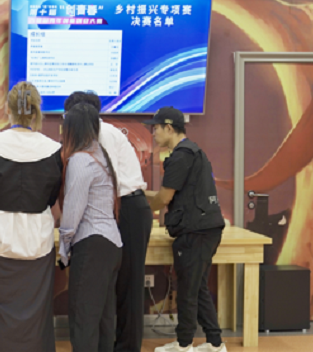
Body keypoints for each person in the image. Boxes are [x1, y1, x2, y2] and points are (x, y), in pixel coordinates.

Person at [0, 81, 62, 352]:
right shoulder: (53, 150)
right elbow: (51, 198)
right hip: (38, 242)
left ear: (7, 109)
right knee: (36, 313)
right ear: (36, 110)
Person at [63, 91, 153, 352]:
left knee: (129, 286)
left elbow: (101, 185)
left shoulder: (101, 138)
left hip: (127, 208)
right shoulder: (96, 137)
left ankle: (127, 347)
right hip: (117, 211)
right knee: (109, 295)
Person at [143, 107, 227, 352]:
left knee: (188, 290)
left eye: (156, 128)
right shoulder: (194, 152)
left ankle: (183, 345)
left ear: (169, 128)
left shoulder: (180, 157)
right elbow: (169, 194)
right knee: (197, 287)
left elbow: (163, 199)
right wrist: (141, 195)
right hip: (207, 228)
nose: (153, 133)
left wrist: (138, 207)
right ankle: (215, 344)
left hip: (195, 231)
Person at [58, 102, 123, 352]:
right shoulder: (101, 155)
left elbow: (73, 211)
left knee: (83, 319)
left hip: (92, 245)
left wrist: (64, 249)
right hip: (111, 244)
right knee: (104, 321)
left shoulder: (81, 160)